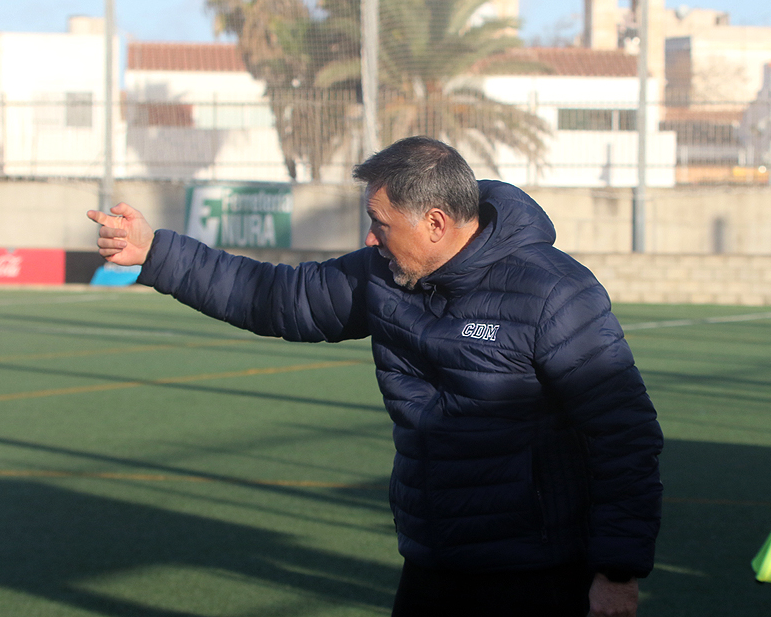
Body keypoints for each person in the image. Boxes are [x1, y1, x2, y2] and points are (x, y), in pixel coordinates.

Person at [88, 136, 663, 617]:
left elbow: (624, 434)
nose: (369, 238)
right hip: (432, 555)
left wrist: (617, 572)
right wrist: (156, 252)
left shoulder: (555, 292)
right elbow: (276, 297)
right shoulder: (383, 275)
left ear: (435, 223)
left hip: (538, 568)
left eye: (379, 223)